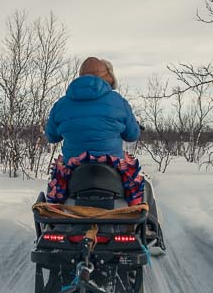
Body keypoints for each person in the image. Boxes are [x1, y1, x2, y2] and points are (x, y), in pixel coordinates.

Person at [44, 58, 159, 239]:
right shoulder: (118, 101)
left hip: (73, 171)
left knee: (53, 186)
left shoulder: (61, 104)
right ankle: (150, 231)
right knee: (144, 186)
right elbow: (132, 135)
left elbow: (51, 136)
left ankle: (52, 226)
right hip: (111, 168)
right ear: (108, 78)